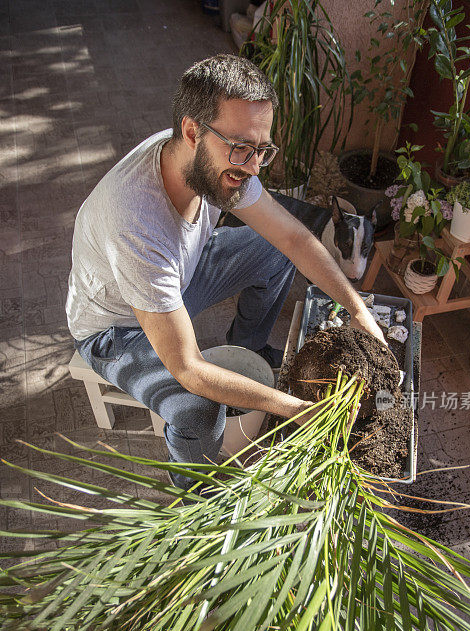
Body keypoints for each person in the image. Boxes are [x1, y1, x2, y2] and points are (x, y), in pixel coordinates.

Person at [66, 54, 384, 489]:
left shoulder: (215, 160)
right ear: (192, 132)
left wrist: (357, 308)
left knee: (274, 251)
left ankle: (247, 352)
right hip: (117, 326)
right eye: (241, 149)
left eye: (261, 150)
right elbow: (189, 368)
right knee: (199, 409)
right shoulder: (135, 224)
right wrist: (292, 408)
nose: (253, 167)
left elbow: (292, 238)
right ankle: (192, 492)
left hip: (176, 277)